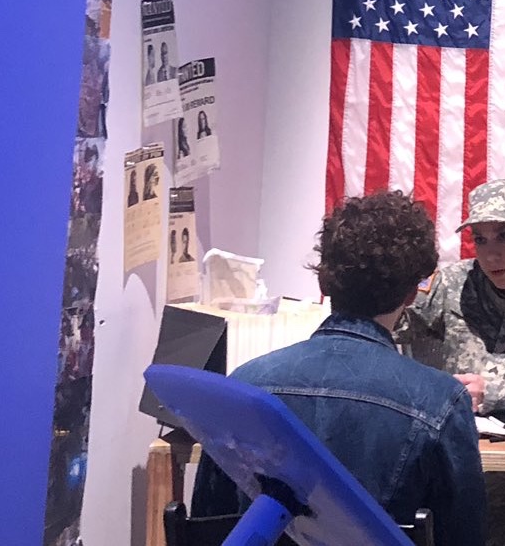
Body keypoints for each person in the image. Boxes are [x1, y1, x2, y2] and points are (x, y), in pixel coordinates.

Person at [195, 192, 485, 545]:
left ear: (324, 282)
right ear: (411, 295)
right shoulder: (441, 402)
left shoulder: (244, 385)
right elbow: (463, 536)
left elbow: (209, 526)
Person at [398, 180, 505, 546]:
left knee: (502, 509)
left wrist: (494, 392)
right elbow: (391, 328)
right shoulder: (450, 285)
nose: (490, 255)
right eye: (480, 240)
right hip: (443, 446)